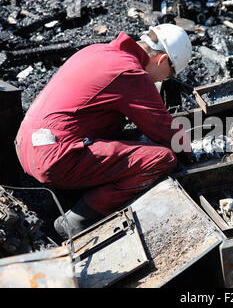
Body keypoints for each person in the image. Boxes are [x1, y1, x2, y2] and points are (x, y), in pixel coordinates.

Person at [14, 24, 193, 239]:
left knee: (134, 140)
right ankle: (75, 222)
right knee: (162, 159)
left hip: (26, 144)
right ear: (162, 60)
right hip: (55, 158)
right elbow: (163, 128)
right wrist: (189, 157)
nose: (162, 81)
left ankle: (76, 193)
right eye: (168, 74)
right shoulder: (130, 72)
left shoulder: (97, 50)